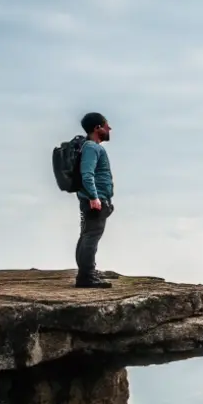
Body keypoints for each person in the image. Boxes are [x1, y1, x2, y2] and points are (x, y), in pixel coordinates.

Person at [74, 111, 116, 288]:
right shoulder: (92, 147)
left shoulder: (88, 147)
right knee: (91, 236)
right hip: (94, 200)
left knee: (87, 235)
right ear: (98, 128)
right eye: (106, 125)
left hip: (92, 199)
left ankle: (86, 273)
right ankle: (86, 276)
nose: (110, 128)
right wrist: (94, 197)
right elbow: (87, 173)